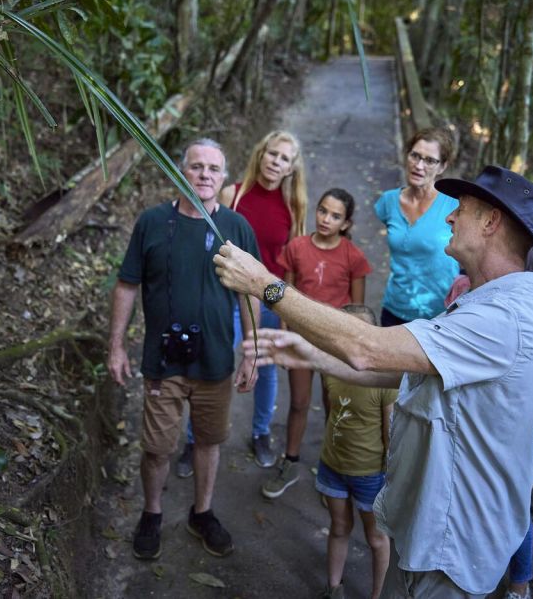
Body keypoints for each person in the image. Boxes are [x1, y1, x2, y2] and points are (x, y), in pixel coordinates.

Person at [214, 165, 533, 597]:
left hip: (453, 549)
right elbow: (404, 365)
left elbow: (368, 347)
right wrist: (311, 352)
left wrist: (264, 285)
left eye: (462, 210)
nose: (450, 217)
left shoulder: (502, 320)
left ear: (491, 222)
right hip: (427, 532)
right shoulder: (481, 301)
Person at [107, 139, 260, 561]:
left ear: (224, 178)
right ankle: (152, 514)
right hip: (163, 360)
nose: (204, 175)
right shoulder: (152, 223)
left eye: (213, 168)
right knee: (157, 447)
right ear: (180, 172)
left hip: (215, 362)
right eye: (196, 167)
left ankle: (202, 512)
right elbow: (126, 285)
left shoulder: (237, 228)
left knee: (209, 442)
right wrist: (116, 346)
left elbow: (253, 293)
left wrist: (251, 351)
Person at [177, 130, 309, 475]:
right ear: (260, 154)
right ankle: (194, 439)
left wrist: (287, 311)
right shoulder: (232, 193)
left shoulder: (294, 206)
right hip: (228, 296)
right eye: (272, 154)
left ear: (291, 167)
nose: (275, 162)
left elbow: (292, 261)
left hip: (268, 298)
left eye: (284, 158)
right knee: (214, 365)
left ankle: (260, 432)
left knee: (264, 367)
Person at [443, 248, 533, 599]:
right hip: (470, 419)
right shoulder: (463, 288)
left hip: (513, 424)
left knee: (514, 504)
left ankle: (519, 584)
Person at [262, 188, 372, 499]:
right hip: (300, 338)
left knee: (334, 405)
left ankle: (333, 473)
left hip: (334, 343)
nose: (326, 219)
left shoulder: (353, 256)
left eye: (335, 216)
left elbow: (358, 312)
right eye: (323, 211)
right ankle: (291, 462)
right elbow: (286, 294)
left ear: (346, 223)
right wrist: (285, 336)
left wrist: (349, 348)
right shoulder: (296, 248)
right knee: (298, 402)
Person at [316, 304, 395, 599]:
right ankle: (334, 588)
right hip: (332, 466)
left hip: (370, 475)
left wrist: (389, 476)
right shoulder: (331, 370)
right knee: (338, 527)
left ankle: (377, 595)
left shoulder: (386, 380)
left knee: (376, 538)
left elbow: (390, 433)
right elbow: (332, 413)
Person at [375, 127, 459, 327]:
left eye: (429, 160)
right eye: (415, 156)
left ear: (442, 167)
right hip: (394, 309)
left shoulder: (454, 206)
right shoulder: (388, 202)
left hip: (439, 316)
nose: (419, 166)